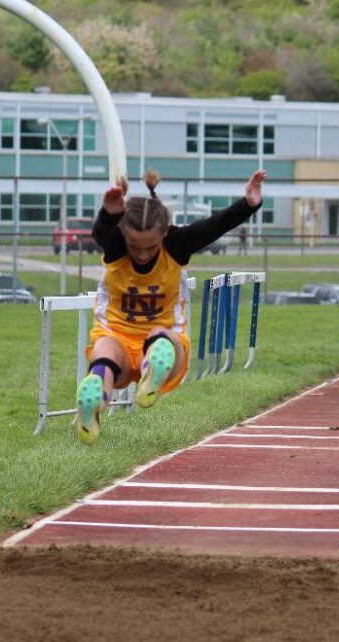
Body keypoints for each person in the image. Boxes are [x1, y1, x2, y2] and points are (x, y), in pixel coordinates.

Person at [75, 168, 266, 445]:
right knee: (120, 349)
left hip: (143, 335)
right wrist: (109, 214)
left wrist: (248, 204)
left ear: (165, 233)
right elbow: (102, 233)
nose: (141, 254)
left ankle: (132, 375)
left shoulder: (176, 244)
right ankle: (93, 403)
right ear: (124, 237)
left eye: (150, 248)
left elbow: (216, 225)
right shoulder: (117, 247)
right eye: (134, 247)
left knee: (126, 349)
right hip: (131, 333)